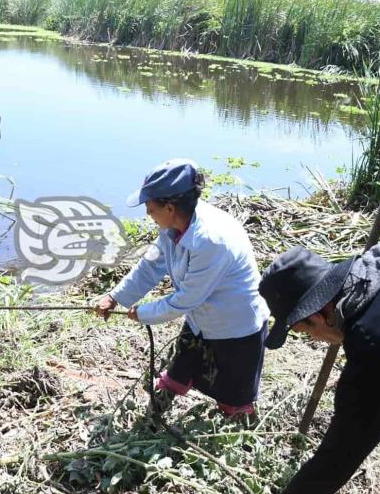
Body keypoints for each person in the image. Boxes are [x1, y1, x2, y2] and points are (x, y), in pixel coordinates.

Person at [247, 207, 380, 494]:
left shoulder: (375, 355)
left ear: (318, 315)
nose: (313, 339)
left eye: (304, 330)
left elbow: (333, 464)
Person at [95, 159, 269, 417]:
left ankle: (235, 435)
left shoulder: (211, 240)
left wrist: (143, 313)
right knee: (182, 365)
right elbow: (151, 266)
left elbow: (185, 300)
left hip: (236, 327)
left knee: (234, 395)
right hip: (203, 317)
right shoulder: (173, 227)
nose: (147, 214)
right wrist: (115, 297)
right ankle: (160, 404)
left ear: (169, 207)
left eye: (150, 208)